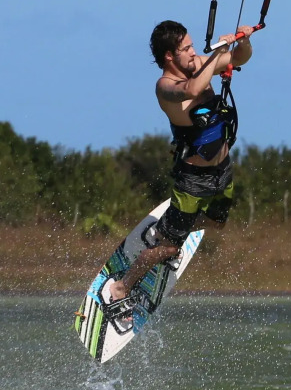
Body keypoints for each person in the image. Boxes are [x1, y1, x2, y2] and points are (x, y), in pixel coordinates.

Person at [101, 19, 255, 314]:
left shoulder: (198, 62)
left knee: (216, 223)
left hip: (222, 169)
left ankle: (168, 230)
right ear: (169, 56)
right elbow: (194, 88)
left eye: (192, 46)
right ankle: (120, 287)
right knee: (170, 248)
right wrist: (215, 56)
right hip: (193, 179)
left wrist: (242, 42)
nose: (193, 51)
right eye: (186, 48)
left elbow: (239, 58)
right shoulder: (165, 87)